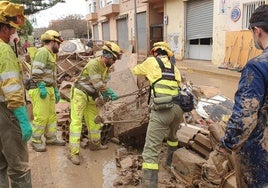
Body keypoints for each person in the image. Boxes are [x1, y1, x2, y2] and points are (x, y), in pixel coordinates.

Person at [217, 5, 268, 188]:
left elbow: (244, 118)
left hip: (260, 157)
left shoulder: (257, 66)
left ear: (257, 31)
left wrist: (224, 146)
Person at [132, 41, 184, 187]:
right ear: (168, 55)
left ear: (155, 52)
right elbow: (176, 84)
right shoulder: (174, 68)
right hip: (178, 110)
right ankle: (169, 163)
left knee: (150, 151)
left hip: (163, 109)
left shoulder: (150, 61)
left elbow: (136, 70)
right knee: (172, 137)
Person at [68, 41, 122, 165]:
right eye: (114, 59)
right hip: (80, 93)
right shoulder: (94, 64)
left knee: (94, 121)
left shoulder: (107, 68)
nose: (114, 61)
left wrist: (103, 94)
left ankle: (95, 144)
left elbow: (102, 84)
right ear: (108, 56)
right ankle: (73, 153)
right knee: (76, 123)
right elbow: (98, 83)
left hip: (91, 95)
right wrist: (109, 93)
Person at [0, 1, 33, 187]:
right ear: (4, 28)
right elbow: (11, 89)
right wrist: (22, 117)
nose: (15, 34)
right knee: (19, 166)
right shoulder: (4, 50)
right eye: (13, 30)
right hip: (7, 110)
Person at [28, 30, 66, 152]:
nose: (59, 46)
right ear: (52, 41)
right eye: (58, 44)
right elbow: (36, 72)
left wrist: (55, 89)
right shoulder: (42, 52)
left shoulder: (51, 54)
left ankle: (51, 138)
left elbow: (52, 76)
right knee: (41, 117)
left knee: (51, 116)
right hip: (39, 89)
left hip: (48, 88)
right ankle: (36, 140)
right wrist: (41, 86)